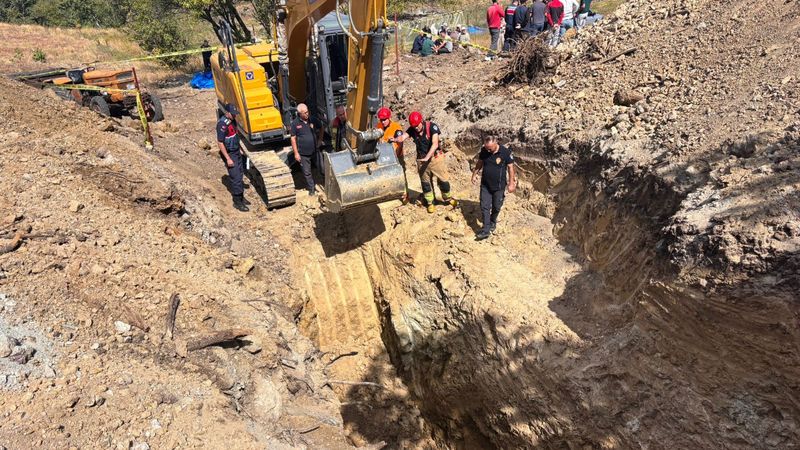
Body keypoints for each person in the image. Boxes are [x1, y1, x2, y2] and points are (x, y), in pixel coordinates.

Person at [390, 111, 457, 213]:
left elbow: (435, 144)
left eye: (417, 125)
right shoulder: (412, 129)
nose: (416, 128)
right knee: (425, 183)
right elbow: (403, 136)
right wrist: (396, 139)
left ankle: (448, 198)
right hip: (421, 160)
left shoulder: (432, 127)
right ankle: (430, 202)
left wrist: (428, 157)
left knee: (443, 181)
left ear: (421, 121)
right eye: (413, 126)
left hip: (435, 158)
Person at [471, 136, 516, 240]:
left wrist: (511, 183)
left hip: (499, 187)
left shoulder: (505, 152)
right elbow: (480, 163)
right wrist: (474, 174)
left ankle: (493, 221)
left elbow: (510, 167)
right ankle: (486, 230)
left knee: (496, 206)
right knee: (484, 206)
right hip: (485, 185)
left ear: (496, 143)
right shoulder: (484, 150)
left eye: (490, 148)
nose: (488, 150)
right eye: (486, 148)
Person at [216, 103, 249, 212]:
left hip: (236, 151)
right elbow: (220, 142)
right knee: (236, 178)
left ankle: (241, 198)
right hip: (229, 153)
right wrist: (228, 158)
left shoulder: (232, 121)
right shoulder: (222, 124)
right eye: (233, 114)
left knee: (240, 174)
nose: (235, 116)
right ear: (227, 112)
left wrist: (239, 149)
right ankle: (237, 202)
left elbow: (235, 136)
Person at [376, 107, 409, 204]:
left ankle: (405, 195)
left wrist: (397, 156)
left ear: (389, 118)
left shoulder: (396, 127)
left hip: (396, 156)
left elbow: (400, 143)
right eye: (381, 120)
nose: (383, 122)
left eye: (384, 120)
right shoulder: (378, 127)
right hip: (384, 157)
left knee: (401, 175)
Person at [290, 103, 324, 195]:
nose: (307, 114)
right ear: (299, 114)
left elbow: (321, 127)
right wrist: (296, 153)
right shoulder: (295, 124)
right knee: (307, 173)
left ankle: (326, 184)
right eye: (304, 113)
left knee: (322, 168)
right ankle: (311, 189)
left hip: (315, 151)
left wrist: (320, 140)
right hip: (303, 154)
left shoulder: (312, 119)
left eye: (307, 111)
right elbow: (293, 138)